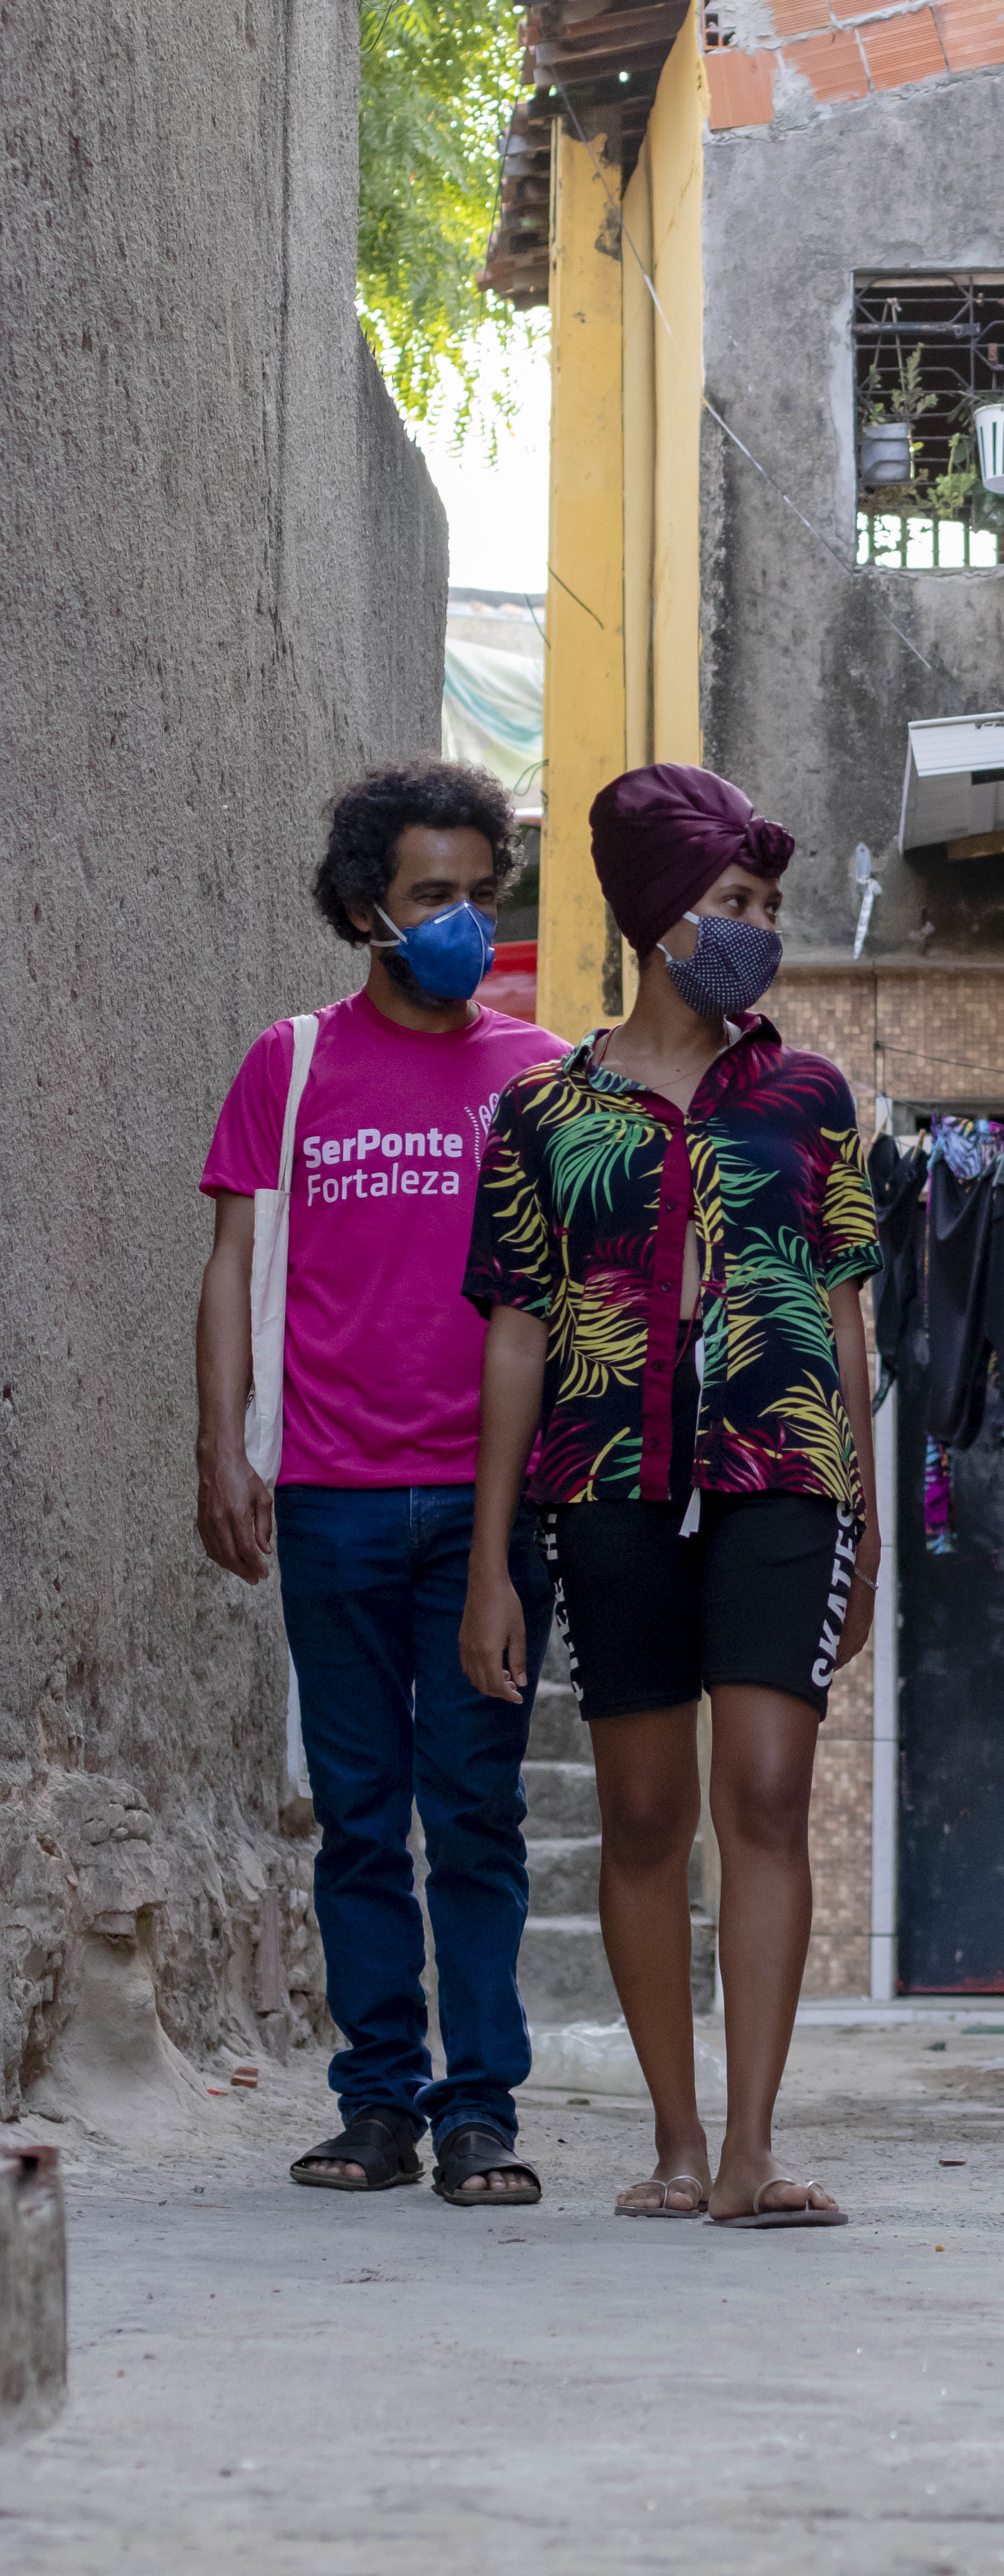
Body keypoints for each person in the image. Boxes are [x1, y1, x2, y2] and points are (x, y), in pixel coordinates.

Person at [459, 763, 879, 2228]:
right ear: (658, 919)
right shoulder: (542, 1110)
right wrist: (490, 1562)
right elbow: (517, 1331)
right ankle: (676, 2140)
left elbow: (845, 1315)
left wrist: (867, 1519)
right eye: (733, 903)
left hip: (782, 1476)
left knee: (764, 1793)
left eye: (770, 903)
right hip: (607, 1482)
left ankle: (757, 2147)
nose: (759, 927)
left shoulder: (816, 1098)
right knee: (644, 1818)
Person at [196, 761, 566, 2204]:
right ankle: (378, 2105)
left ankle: (482, 2111)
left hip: (493, 1511)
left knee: (474, 1810)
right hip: (334, 1496)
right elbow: (233, 1266)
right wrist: (222, 1443)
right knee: (359, 1816)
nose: (463, 920)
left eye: (482, 893)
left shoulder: (540, 1081)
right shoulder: (288, 1068)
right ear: (367, 910)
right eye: (433, 896)